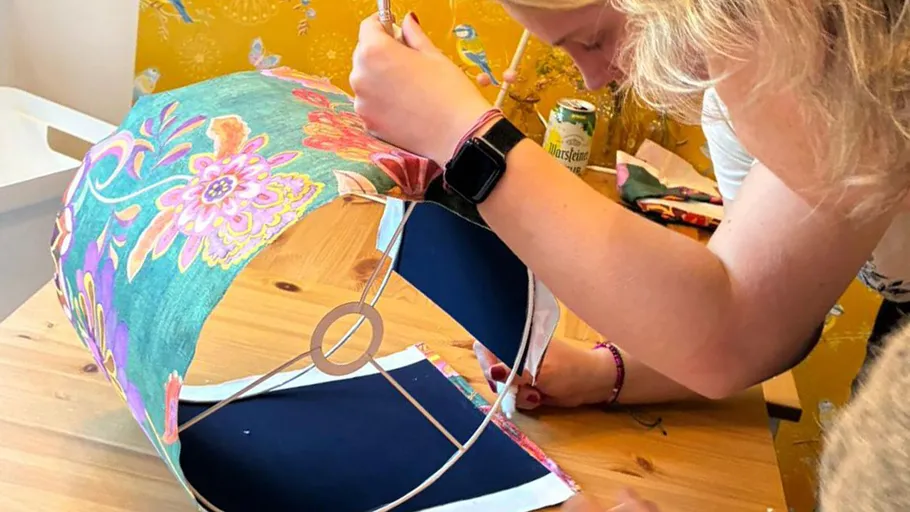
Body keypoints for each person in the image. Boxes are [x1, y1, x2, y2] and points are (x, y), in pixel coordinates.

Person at [349, 0, 909, 509]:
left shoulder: (784, 65)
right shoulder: (766, 82)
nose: (595, 78)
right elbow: (753, 315)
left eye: (592, 39)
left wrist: (467, 140)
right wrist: (603, 373)